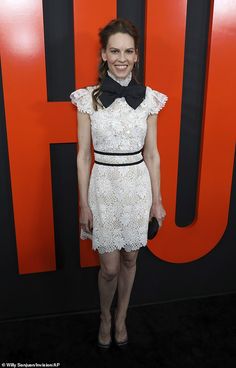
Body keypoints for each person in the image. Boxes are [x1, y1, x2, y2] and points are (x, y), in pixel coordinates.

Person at [70, 18, 168, 349]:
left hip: (137, 187)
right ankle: (104, 316)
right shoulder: (87, 99)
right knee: (109, 268)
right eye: (114, 51)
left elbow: (153, 155)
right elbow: (83, 156)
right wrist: (83, 203)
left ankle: (122, 316)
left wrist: (157, 200)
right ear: (104, 54)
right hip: (104, 188)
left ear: (136, 55)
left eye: (128, 51)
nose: (121, 58)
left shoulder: (150, 99)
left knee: (131, 259)